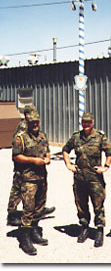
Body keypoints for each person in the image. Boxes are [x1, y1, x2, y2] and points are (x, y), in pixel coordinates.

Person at [62, 112, 111, 247]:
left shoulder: (99, 137)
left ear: (93, 122)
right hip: (79, 178)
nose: (86, 124)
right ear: (82, 123)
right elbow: (65, 150)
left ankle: (99, 231)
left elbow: (110, 152)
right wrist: (68, 164)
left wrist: (106, 166)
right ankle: (84, 228)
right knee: (81, 205)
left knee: (98, 205)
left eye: (89, 122)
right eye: (84, 122)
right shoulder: (76, 137)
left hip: (95, 179)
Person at [7, 104, 55, 226]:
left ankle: (37, 211)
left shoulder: (40, 133)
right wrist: (32, 160)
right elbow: (18, 147)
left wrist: (46, 157)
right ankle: (12, 214)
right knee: (18, 190)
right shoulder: (23, 128)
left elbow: (44, 147)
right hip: (23, 168)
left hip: (38, 171)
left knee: (36, 193)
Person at [12, 108, 51, 256]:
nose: (35, 125)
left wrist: (47, 158)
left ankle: (35, 231)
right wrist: (33, 160)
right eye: (32, 123)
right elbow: (16, 156)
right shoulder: (20, 138)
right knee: (28, 207)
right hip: (28, 178)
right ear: (27, 123)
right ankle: (25, 237)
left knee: (39, 206)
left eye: (37, 122)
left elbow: (47, 150)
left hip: (42, 177)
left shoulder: (42, 135)